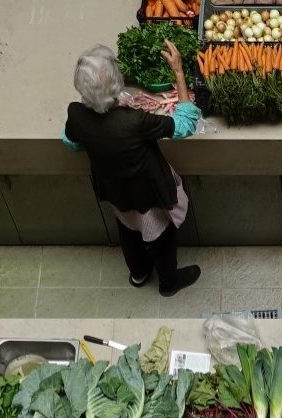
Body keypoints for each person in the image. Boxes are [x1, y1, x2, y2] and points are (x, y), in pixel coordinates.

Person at [63, 42, 203, 296]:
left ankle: (138, 273)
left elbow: (71, 142)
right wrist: (179, 73)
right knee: (161, 237)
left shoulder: (76, 114)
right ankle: (169, 282)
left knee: (128, 230)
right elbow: (185, 124)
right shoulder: (133, 122)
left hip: (115, 192)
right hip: (147, 195)